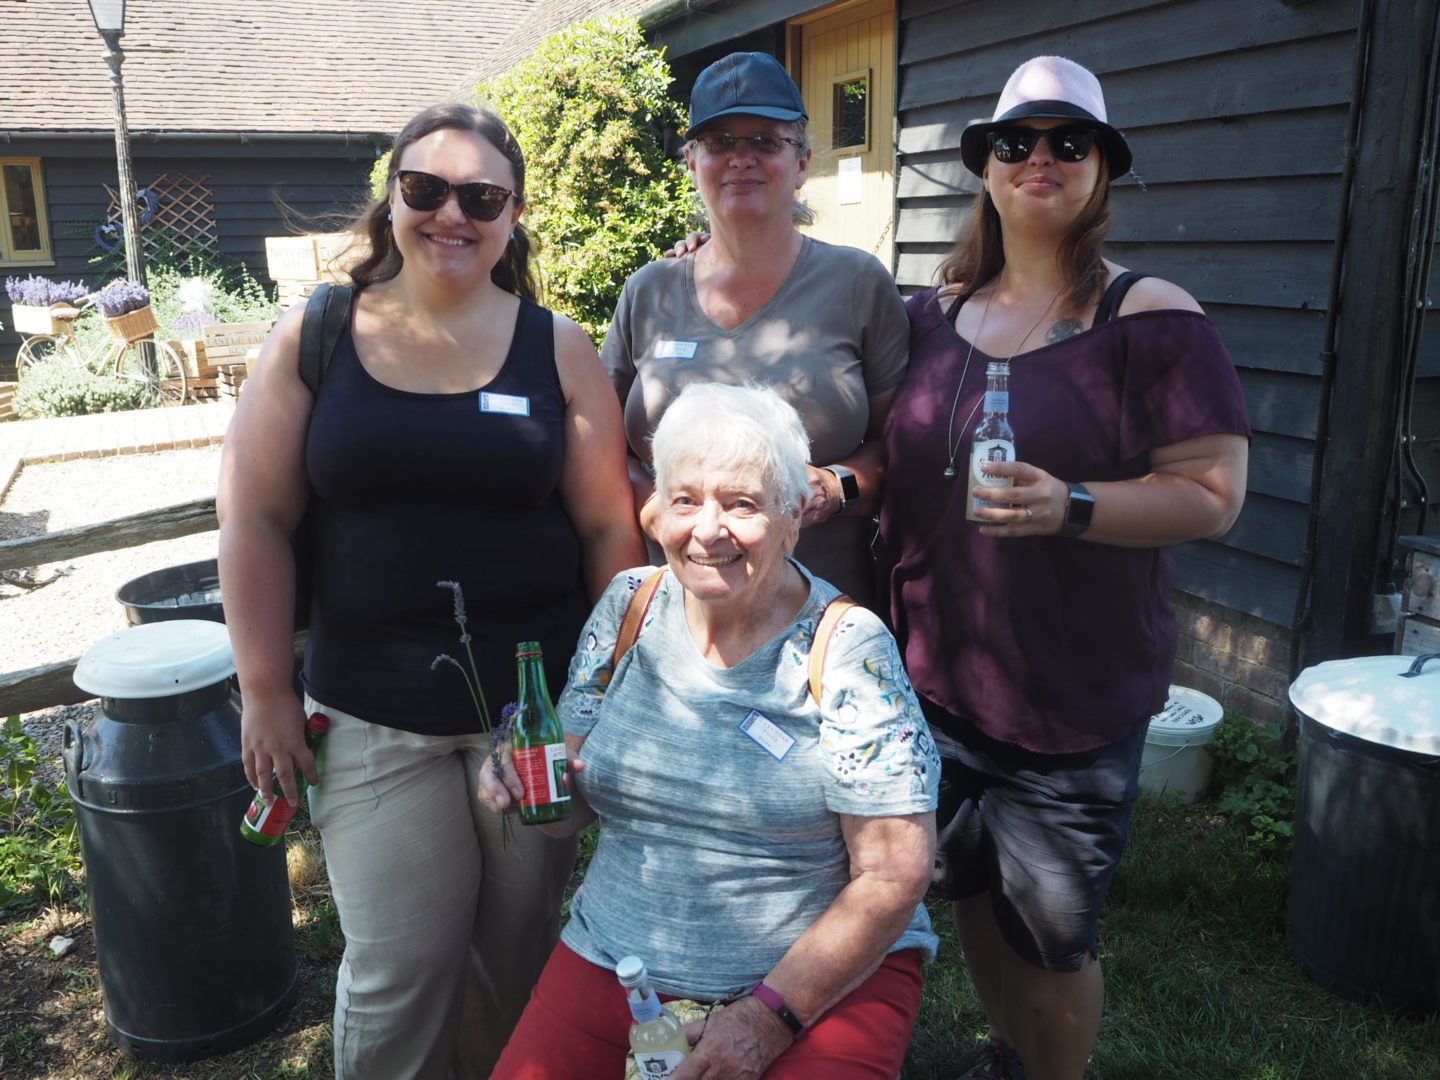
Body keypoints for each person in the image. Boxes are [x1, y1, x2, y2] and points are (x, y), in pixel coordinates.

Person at [216, 103, 645, 1079]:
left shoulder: (558, 348)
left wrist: (607, 700)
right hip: (368, 711)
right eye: (425, 189)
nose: (452, 213)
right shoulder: (317, 336)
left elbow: (608, 533)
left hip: (531, 720)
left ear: (512, 215)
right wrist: (267, 687)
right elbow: (253, 516)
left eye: (481, 196)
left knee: (517, 956)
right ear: (392, 199)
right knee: (399, 966)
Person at [875, 57, 1251, 1080]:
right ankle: (1007, 1057)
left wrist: (1073, 505)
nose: (1039, 159)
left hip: (1070, 697)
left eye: (1067, 143)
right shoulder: (931, 316)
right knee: (970, 897)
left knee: (1051, 933)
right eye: (1015, 142)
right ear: (987, 170)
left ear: (1100, 169)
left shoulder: (1148, 316)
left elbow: (1214, 491)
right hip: (933, 681)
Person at [481, 382, 941, 1080]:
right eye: (685, 498)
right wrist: (528, 784)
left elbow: (893, 872)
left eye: (743, 503)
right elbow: (567, 813)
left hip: (810, 978)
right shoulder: (626, 609)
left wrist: (767, 1018)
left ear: (794, 517)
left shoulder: (846, 648)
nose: (707, 529)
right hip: (622, 953)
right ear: (655, 509)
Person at [603, 51, 909, 605]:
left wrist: (836, 488)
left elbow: (902, 445)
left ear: (802, 164)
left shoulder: (858, 283)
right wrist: (659, 507)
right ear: (692, 162)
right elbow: (599, 454)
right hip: (676, 612)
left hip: (821, 619)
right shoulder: (647, 290)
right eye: (720, 142)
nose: (741, 158)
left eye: (765, 141)